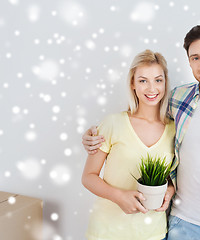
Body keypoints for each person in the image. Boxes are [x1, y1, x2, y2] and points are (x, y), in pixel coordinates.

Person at [83, 24, 200, 240]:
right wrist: (91, 136)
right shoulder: (179, 100)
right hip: (182, 224)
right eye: (195, 57)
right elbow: (142, 123)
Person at [81, 49, 175, 240]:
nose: (151, 88)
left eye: (158, 80)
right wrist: (119, 196)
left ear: (165, 82)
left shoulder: (174, 129)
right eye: (143, 80)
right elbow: (88, 177)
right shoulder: (112, 123)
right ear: (132, 83)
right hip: (107, 232)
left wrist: (170, 190)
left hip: (153, 233)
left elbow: (174, 176)